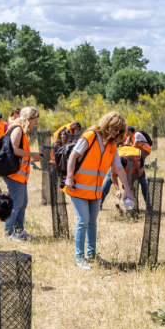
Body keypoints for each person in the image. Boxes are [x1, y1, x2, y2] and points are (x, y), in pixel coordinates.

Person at [65, 112, 133, 268]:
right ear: (107, 125)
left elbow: (118, 168)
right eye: (115, 129)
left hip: (95, 191)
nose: (117, 133)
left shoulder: (112, 145)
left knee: (92, 223)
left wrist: (127, 190)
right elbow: (73, 156)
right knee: (83, 221)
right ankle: (79, 258)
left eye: (120, 131)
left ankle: (92, 254)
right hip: (77, 187)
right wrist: (69, 178)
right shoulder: (90, 136)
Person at [3, 107, 44, 241]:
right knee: (16, 203)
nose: (36, 124)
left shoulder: (21, 129)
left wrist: (32, 158)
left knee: (22, 202)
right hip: (14, 174)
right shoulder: (18, 128)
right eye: (35, 121)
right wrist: (31, 154)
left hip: (19, 174)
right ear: (29, 119)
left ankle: (19, 231)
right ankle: (9, 233)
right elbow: (15, 149)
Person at [106, 125, 152, 207]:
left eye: (124, 170)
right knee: (109, 179)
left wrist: (128, 183)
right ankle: (100, 203)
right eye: (121, 171)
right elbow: (113, 175)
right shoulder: (114, 161)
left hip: (134, 154)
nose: (123, 172)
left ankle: (148, 204)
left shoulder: (137, 159)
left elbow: (140, 173)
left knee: (142, 181)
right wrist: (118, 189)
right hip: (122, 152)